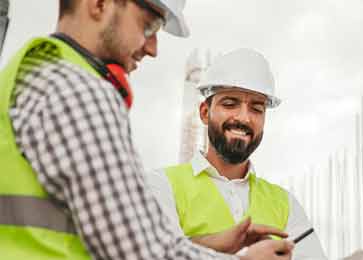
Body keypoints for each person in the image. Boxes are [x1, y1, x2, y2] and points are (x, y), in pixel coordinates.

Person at [0, 1, 293, 259]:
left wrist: (212, 246)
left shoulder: (34, 71)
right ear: (99, 3)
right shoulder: (80, 92)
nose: (152, 48)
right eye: (149, 24)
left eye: (256, 107)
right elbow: (138, 252)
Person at [147, 48, 328, 259]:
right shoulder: (161, 186)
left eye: (256, 109)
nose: (244, 118)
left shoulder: (285, 204)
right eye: (230, 104)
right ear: (205, 113)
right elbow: (154, 253)